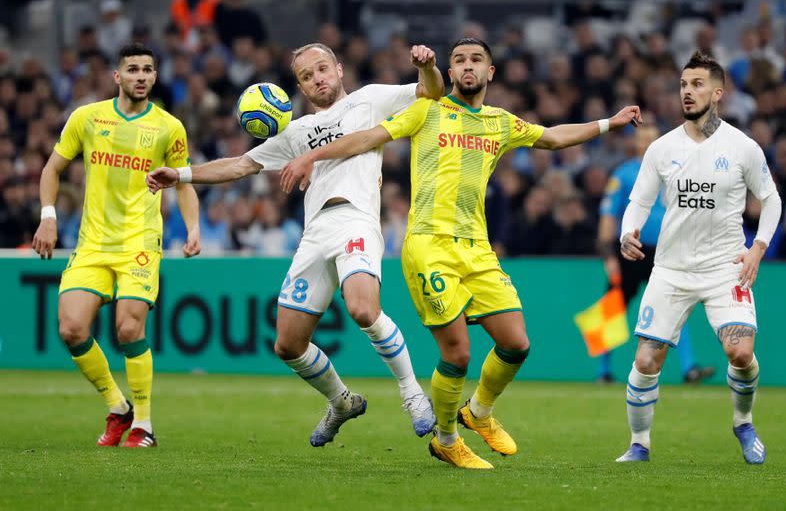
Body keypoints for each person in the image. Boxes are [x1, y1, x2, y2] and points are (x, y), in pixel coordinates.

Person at [279, 38, 642, 469]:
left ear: (491, 72)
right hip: (429, 245)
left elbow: (553, 138)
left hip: (477, 248)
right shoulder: (426, 110)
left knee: (516, 343)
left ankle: (479, 412)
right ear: (450, 73)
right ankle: (446, 439)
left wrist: (608, 124)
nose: (467, 67)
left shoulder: (499, 122)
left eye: (476, 61)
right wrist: (311, 157)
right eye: (459, 61)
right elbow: (365, 138)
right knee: (458, 353)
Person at [146, 42, 444, 446]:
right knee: (287, 344)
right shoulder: (295, 131)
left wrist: (427, 66)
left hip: (356, 218)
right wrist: (180, 175)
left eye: (322, 69)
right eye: (307, 76)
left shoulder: (369, 99)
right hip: (315, 233)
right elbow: (239, 164)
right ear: (300, 89)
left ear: (338, 69)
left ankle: (412, 394)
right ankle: (341, 402)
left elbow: (432, 92)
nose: (317, 78)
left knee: (362, 307)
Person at [31, 43, 202, 448]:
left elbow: (184, 183)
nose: (141, 76)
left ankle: (143, 423)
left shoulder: (169, 127)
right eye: (133, 69)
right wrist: (48, 217)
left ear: (155, 77)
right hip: (92, 243)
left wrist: (193, 228)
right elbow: (52, 168)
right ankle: (117, 405)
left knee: (128, 329)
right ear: (117, 76)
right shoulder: (87, 118)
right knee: (71, 329)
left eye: (147, 70)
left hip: (140, 242)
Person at [615, 52, 781, 464]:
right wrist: (626, 232)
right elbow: (639, 201)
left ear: (718, 92)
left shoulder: (742, 147)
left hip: (726, 267)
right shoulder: (662, 148)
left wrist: (757, 248)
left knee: (741, 353)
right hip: (671, 270)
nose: (688, 92)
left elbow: (772, 199)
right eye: (684, 85)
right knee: (646, 360)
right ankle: (640, 444)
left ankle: (743, 422)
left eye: (697, 85)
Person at [597, 125, 715, 384]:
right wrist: (607, 254)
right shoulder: (624, 173)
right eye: (643, 138)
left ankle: (689, 368)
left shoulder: (675, 170)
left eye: (652, 138)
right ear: (635, 143)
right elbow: (608, 214)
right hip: (630, 251)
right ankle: (603, 371)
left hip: (665, 250)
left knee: (674, 306)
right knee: (611, 309)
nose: (648, 142)